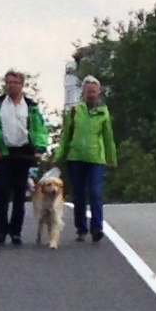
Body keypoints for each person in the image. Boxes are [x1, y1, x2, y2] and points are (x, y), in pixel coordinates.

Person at [0, 71, 43, 244]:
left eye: (15, 82)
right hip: (4, 153)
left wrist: (39, 148)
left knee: (19, 194)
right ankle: (0, 230)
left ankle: (16, 231)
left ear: (22, 85)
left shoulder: (30, 106)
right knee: (3, 192)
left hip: (24, 152)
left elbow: (39, 128)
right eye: (8, 82)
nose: (11, 85)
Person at [56, 75, 116, 243]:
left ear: (99, 92)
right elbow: (66, 136)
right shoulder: (75, 111)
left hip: (96, 159)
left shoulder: (103, 112)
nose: (91, 94)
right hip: (76, 157)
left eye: (94, 91)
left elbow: (108, 137)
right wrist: (59, 156)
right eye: (88, 91)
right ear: (83, 92)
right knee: (79, 194)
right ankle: (81, 228)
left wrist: (112, 158)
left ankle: (97, 227)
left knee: (95, 192)